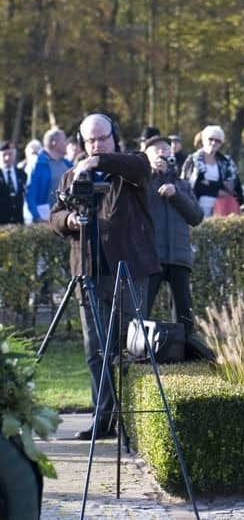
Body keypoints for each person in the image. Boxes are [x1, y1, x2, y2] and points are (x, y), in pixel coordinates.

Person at [50, 113, 159, 440]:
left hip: (127, 271)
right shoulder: (72, 176)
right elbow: (54, 216)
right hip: (88, 272)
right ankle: (103, 418)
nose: (95, 145)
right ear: (81, 142)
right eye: (90, 141)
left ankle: (131, 423)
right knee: (95, 349)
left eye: (102, 138)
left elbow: (140, 167)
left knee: (129, 348)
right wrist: (69, 220)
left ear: (115, 138)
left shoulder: (131, 167)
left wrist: (97, 162)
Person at [144, 135, 204, 337]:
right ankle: (136, 347)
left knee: (183, 309)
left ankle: (185, 347)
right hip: (151, 256)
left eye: (165, 148)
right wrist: (151, 175)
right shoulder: (141, 183)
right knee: (142, 307)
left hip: (179, 257)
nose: (162, 152)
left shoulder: (183, 185)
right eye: (156, 149)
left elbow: (196, 217)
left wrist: (175, 194)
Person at [181, 124, 240, 218]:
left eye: (218, 141)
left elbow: (233, 185)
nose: (213, 143)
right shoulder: (193, 160)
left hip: (222, 208)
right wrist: (216, 190)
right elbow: (187, 185)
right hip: (197, 207)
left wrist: (209, 184)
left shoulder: (225, 161)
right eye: (210, 139)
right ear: (203, 140)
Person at [25, 127, 71, 223]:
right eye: (64, 140)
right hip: (44, 221)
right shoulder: (37, 164)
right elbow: (30, 194)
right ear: (54, 143)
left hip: (64, 219)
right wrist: (36, 217)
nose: (67, 143)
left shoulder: (68, 164)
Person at [0, 140, 26, 224]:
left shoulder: (22, 174)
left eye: (10, 154)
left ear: (14, 155)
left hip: (17, 223)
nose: (7, 158)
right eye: (4, 155)